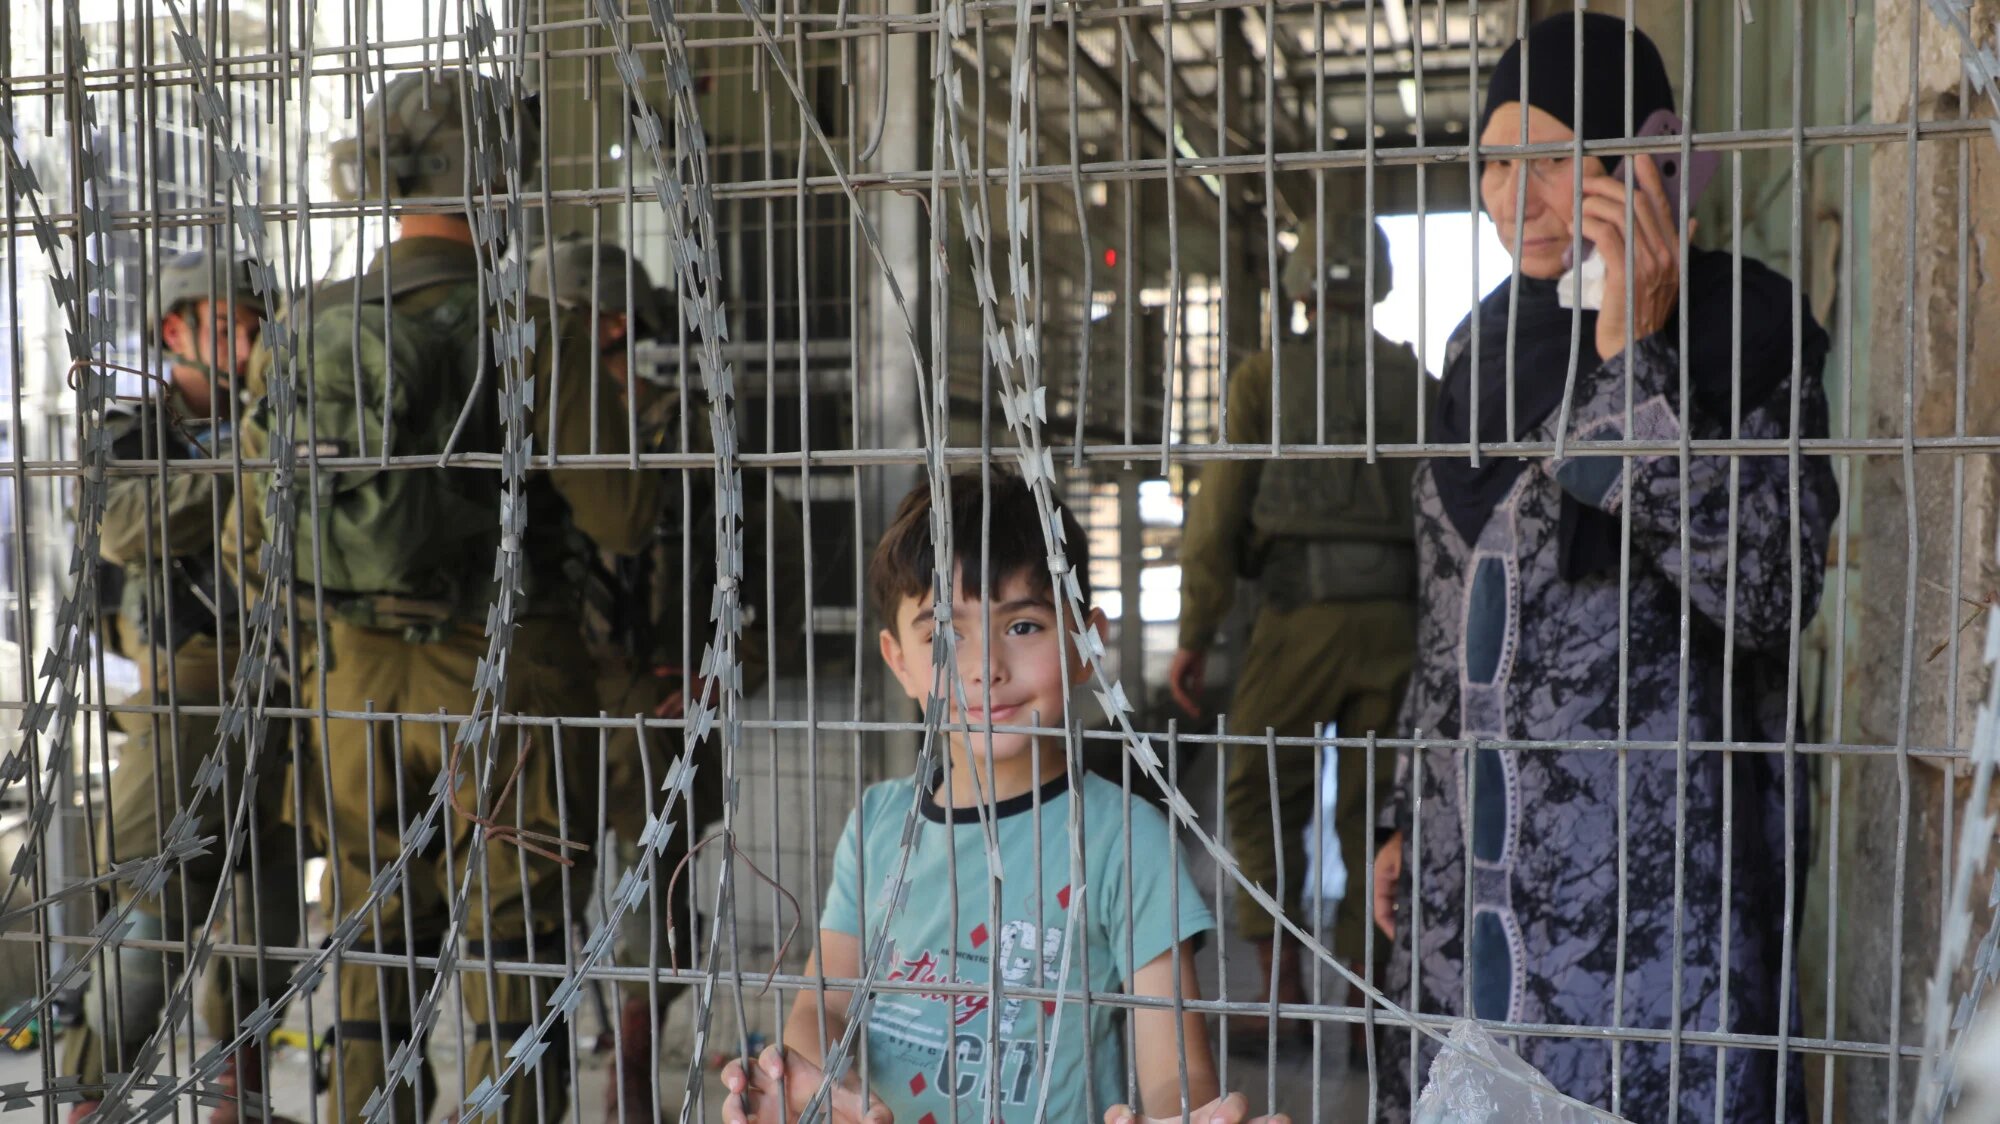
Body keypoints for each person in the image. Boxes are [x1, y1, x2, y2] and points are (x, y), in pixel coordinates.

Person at [1372, 14, 1836, 1121]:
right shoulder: (1478, 343)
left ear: (1642, 157)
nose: (1508, 195)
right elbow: (1440, 616)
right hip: (1462, 888)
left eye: (1548, 158)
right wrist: (1395, 818)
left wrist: (1637, 350)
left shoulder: (1746, 328)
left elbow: (1771, 591)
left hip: (1649, 911)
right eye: (1491, 161)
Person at [235, 72, 659, 1124]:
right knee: (518, 947)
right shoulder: (531, 325)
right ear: (500, 176)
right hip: (503, 673)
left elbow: (254, 532)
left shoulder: (301, 327)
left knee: (375, 932)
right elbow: (620, 517)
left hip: (353, 681)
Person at [721, 472, 1286, 1124]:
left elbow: (1176, 1071)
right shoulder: (879, 824)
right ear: (899, 660)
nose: (984, 666)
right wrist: (808, 1081)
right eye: (943, 634)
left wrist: (1179, 1116)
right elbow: (823, 1004)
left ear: (1086, 645)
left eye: (1022, 625)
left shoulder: (1122, 837)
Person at [527, 235, 806, 1122]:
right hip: (548, 710)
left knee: (657, 926)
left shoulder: (681, 433)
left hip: (655, 708)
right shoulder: (508, 432)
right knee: (534, 910)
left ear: (609, 327)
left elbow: (774, 551)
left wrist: (732, 669)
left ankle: (633, 1088)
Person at [1170, 216, 1423, 1041]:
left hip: (1294, 623)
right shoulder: (1417, 385)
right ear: (1379, 284)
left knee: (1256, 785)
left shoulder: (1264, 381)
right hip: (1396, 626)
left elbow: (1217, 516)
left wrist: (1196, 629)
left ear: (1302, 286)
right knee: (1375, 810)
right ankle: (1362, 1005)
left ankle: (1280, 993)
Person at [63, 250, 302, 1124]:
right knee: (150, 901)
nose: (255, 344)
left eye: (264, 326)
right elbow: (125, 528)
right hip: (191, 681)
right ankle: (94, 1097)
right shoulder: (133, 433)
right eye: (237, 327)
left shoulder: (294, 418)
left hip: (293, 677)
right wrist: (256, 459)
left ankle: (234, 1094)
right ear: (176, 332)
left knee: (267, 909)